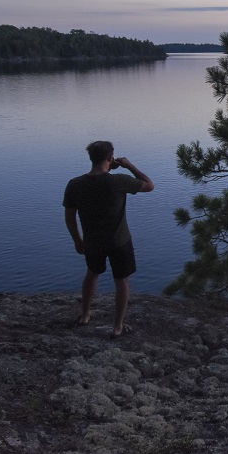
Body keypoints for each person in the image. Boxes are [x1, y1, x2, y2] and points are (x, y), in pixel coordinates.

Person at [63, 140, 154, 337]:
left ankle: (85, 315)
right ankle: (117, 327)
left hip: (92, 242)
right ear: (110, 158)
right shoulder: (119, 181)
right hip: (119, 241)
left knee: (91, 274)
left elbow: (69, 216)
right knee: (122, 282)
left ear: (91, 158)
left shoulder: (75, 184)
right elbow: (149, 185)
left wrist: (77, 240)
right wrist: (129, 165)